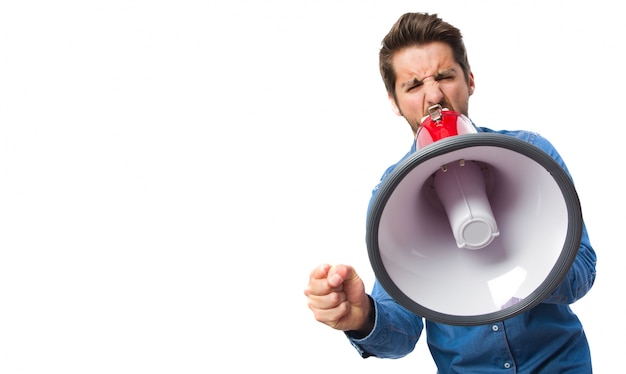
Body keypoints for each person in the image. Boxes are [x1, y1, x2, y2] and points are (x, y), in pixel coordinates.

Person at [304, 12, 597, 373]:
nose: (434, 97)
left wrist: (528, 260)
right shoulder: (390, 196)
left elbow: (584, 269)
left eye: (445, 76)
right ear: (394, 102)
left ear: (469, 80)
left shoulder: (532, 156)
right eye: (412, 86)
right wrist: (363, 317)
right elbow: (403, 331)